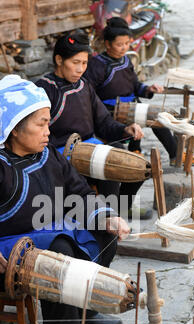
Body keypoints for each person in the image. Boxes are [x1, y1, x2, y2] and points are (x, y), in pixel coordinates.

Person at [0, 75, 130, 324]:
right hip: (1, 252)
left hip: (47, 236)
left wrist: (106, 217)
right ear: (14, 128)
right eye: (41, 124)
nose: (48, 132)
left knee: (105, 236)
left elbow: (79, 194)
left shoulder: (48, 155)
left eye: (48, 123)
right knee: (60, 250)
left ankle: (85, 310)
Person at [85, 18, 194, 212]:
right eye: (119, 44)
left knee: (161, 116)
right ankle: (122, 202)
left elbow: (135, 86)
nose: (124, 48)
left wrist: (148, 89)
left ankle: (175, 155)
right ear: (107, 44)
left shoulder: (125, 61)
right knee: (155, 117)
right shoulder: (97, 65)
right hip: (110, 111)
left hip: (131, 106)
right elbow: (90, 96)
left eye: (127, 44)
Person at [35, 30, 153, 219]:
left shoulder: (84, 85)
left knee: (132, 163)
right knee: (106, 165)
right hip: (59, 153)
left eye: (84, 63)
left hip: (89, 146)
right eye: (75, 63)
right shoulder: (45, 89)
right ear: (59, 60)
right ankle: (106, 220)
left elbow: (104, 122)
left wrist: (125, 129)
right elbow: (36, 132)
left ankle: (120, 210)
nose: (80, 69)